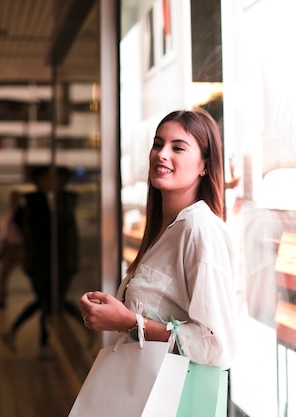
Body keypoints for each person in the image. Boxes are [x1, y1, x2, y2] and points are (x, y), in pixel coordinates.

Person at [79, 108, 237, 371]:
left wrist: (130, 322)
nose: (162, 154)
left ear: (204, 165)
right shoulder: (164, 228)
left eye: (178, 148)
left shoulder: (199, 228)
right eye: (158, 144)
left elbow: (217, 346)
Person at [0, 166, 81, 355]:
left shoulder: (65, 202)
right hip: (40, 264)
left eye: (55, 179)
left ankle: (21, 334)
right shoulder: (32, 204)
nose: (51, 183)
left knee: (49, 302)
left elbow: (71, 235)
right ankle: (44, 342)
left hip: (62, 264)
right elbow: (27, 234)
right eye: (46, 179)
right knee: (50, 302)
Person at [0, 189, 25, 311]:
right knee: (3, 275)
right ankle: (1, 300)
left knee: (31, 272)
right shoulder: (12, 211)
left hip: (20, 247)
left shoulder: (21, 211)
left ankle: (44, 296)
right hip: (11, 247)